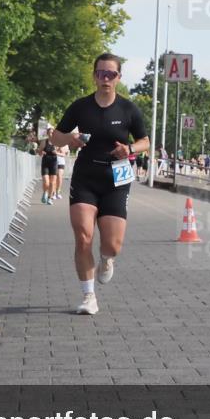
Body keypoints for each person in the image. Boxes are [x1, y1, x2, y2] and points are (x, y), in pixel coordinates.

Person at [51, 53, 150, 315]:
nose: (105, 79)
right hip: (86, 177)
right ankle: (88, 296)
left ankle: (107, 259)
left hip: (116, 180)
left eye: (111, 74)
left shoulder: (128, 109)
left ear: (118, 78)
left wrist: (129, 149)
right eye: (101, 73)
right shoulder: (80, 107)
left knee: (112, 244)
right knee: (83, 236)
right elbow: (55, 137)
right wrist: (70, 139)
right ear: (94, 76)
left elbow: (145, 142)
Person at [40, 129, 58, 205]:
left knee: (52, 182)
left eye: (52, 133)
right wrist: (41, 152)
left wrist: (56, 152)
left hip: (53, 163)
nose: (51, 134)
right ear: (47, 134)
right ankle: (45, 193)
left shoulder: (57, 142)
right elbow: (39, 151)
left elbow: (63, 153)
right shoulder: (44, 141)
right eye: (49, 133)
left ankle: (49, 198)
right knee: (46, 182)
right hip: (45, 163)